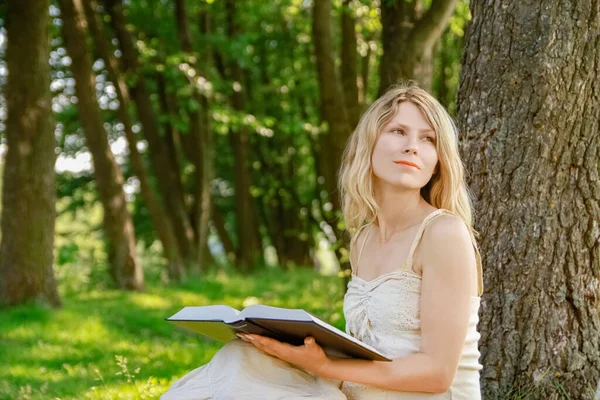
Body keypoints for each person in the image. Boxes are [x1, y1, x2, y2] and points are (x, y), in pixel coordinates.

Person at [161, 83, 484, 399]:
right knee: (243, 355)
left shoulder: (443, 233)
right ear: (369, 143)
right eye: (398, 131)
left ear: (439, 161)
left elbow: (438, 375)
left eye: (428, 139)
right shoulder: (364, 237)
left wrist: (326, 366)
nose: (412, 146)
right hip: (358, 391)